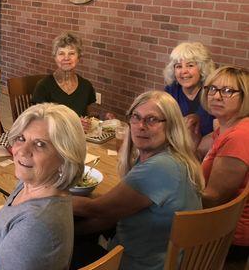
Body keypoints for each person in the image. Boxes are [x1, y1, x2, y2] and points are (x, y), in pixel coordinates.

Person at [72, 91, 203, 270]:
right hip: (163, 255)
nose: (141, 126)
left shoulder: (161, 167)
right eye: (136, 117)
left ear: (171, 125)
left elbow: (96, 209)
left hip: (140, 263)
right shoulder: (172, 157)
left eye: (152, 120)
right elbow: (111, 213)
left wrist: (47, 198)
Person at [0, 103, 86, 270]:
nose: (22, 151)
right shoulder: (29, 183)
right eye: (21, 138)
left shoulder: (35, 227)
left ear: (65, 159)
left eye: (40, 144)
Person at [201, 66, 249, 261]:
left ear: (245, 96)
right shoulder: (228, 125)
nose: (216, 96)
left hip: (228, 235)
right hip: (220, 223)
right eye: (212, 89)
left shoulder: (239, 136)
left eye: (228, 91)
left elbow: (214, 198)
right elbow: (199, 149)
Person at [32, 31, 107, 118]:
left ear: (78, 57)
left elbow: (86, 116)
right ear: (54, 57)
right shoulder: (43, 86)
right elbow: (38, 122)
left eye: (71, 53)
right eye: (61, 53)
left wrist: (102, 116)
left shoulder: (86, 86)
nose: (66, 58)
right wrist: (75, 124)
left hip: (80, 131)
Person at [163, 42, 216, 148]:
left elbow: (219, 133)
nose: (184, 71)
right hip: (173, 148)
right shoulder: (171, 91)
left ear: (202, 69)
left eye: (190, 65)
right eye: (178, 66)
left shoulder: (213, 94)